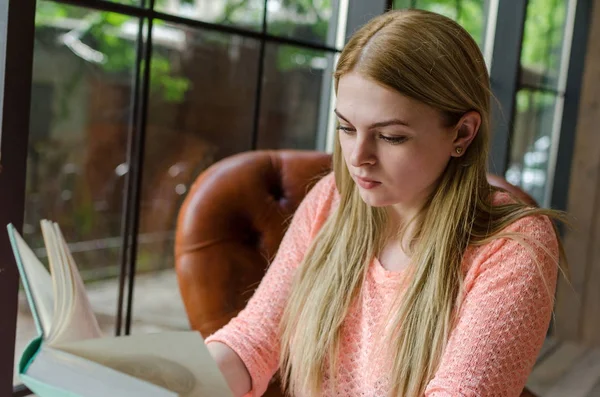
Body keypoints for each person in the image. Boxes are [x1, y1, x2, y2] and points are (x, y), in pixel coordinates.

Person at [206, 9, 568, 397]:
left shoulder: (512, 246)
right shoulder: (333, 198)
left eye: (391, 136)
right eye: (346, 127)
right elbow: (253, 341)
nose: (358, 156)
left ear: (462, 132)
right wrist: (176, 379)